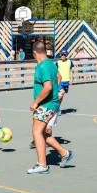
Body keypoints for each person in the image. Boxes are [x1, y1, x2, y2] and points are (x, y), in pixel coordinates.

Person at [27, 41, 74, 174]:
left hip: (45, 104)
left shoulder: (42, 66)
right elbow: (58, 77)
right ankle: (65, 153)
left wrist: (36, 102)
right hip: (51, 103)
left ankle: (42, 165)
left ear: (35, 53)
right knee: (43, 133)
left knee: (36, 132)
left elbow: (47, 87)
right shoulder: (52, 64)